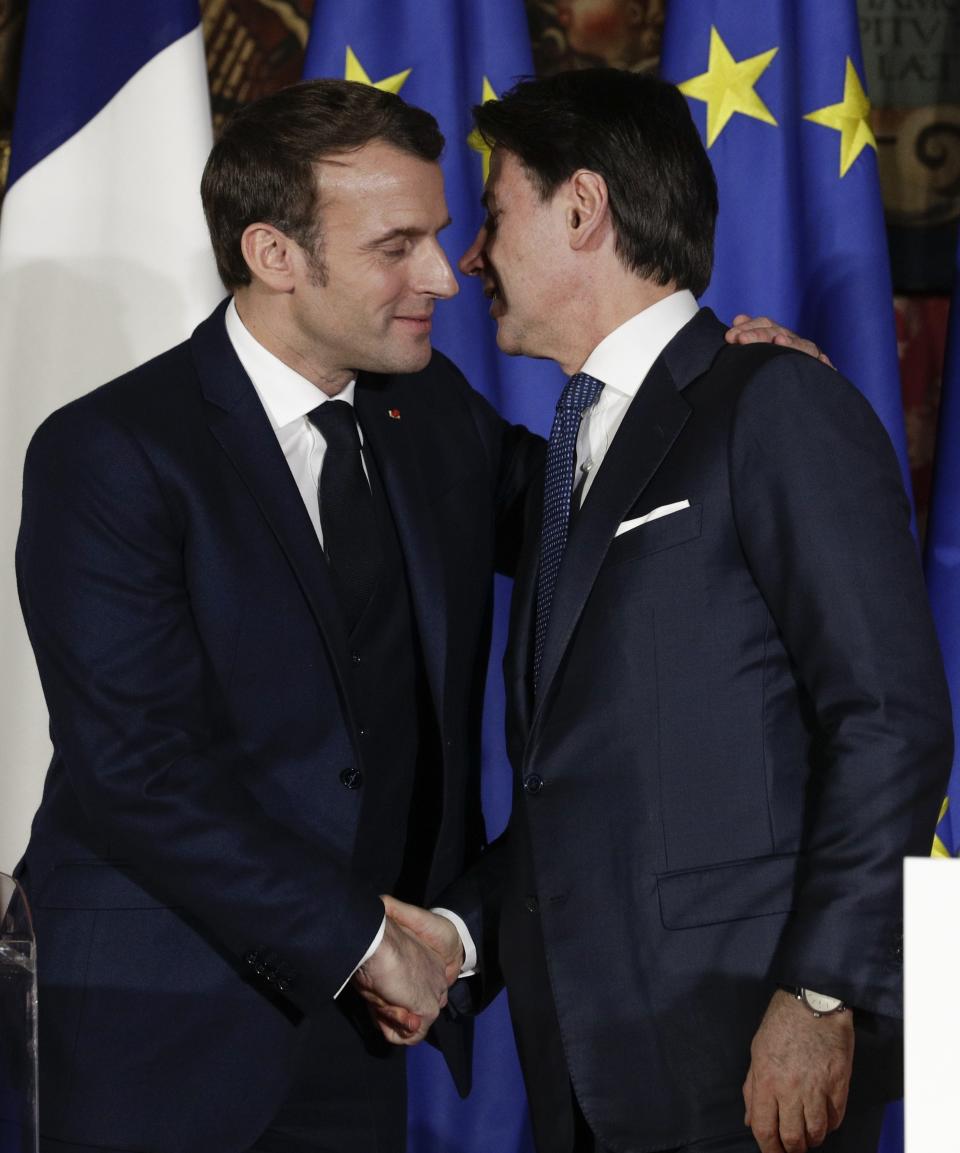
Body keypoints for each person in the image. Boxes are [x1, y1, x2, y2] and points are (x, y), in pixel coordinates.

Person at [379, 69, 953, 1153]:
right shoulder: (574, 455)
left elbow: (890, 718)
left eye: (493, 215)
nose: (468, 258)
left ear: (583, 209)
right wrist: (462, 935)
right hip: (595, 1069)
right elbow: (592, 783)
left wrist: (822, 996)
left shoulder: (773, 403)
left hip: (751, 1059)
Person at [13, 79, 541, 1153]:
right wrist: (358, 938)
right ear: (274, 254)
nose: (445, 275)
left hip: (362, 1028)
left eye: (440, 237)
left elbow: (599, 521)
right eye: (399, 246)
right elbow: (137, 769)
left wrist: (715, 394)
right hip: (158, 1026)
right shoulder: (114, 452)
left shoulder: (432, 411)